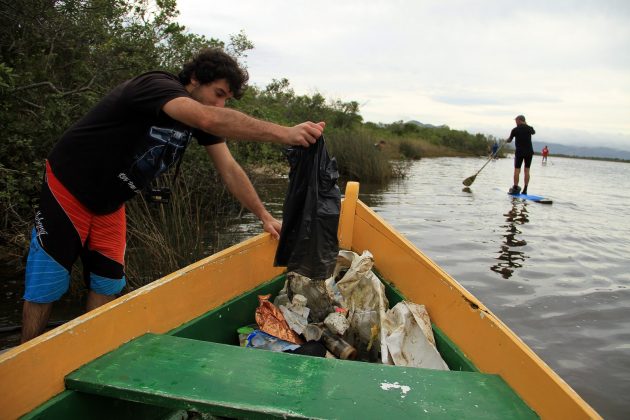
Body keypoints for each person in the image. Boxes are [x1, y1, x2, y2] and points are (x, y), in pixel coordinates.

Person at [20, 47, 325, 343]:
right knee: (47, 281)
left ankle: (87, 350)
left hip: (110, 203)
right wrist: (284, 132)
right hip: (70, 186)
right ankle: (24, 361)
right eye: (219, 94)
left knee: (107, 280)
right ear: (194, 79)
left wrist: (264, 215)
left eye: (226, 99)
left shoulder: (201, 117)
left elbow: (229, 168)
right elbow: (207, 118)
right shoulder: (155, 86)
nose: (220, 105)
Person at [505, 115, 535, 195]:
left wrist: (506, 140)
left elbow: (510, 140)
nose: (515, 122)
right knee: (527, 170)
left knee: (517, 170)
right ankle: (525, 189)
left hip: (519, 152)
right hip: (529, 152)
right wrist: (526, 124)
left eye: (516, 121)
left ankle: (515, 187)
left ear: (519, 120)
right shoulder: (530, 128)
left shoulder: (515, 130)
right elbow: (533, 132)